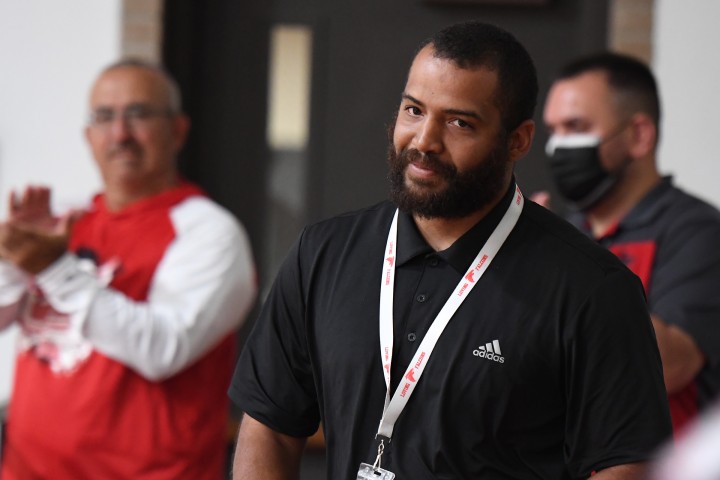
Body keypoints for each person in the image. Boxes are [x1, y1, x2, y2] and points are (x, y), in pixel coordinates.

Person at [229, 21, 671, 480]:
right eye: (414, 110)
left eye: (459, 122)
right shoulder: (323, 254)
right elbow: (270, 427)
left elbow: (626, 465)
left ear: (518, 140)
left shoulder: (591, 288)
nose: (425, 141)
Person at [0, 59, 257, 479]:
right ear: (89, 136)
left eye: (138, 114)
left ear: (177, 130)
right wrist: (14, 260)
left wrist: (52, 268)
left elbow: (163, 349)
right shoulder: (64, 221)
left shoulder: (210, 232)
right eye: (104, 117)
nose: (120, 134)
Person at [543, 52, 720, 435]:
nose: (557, 146)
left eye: (576, 126)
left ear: (639, 135)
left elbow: (669, 366)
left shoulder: (698, 231)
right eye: (553, 130)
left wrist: (552, 262)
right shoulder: (565, 232)